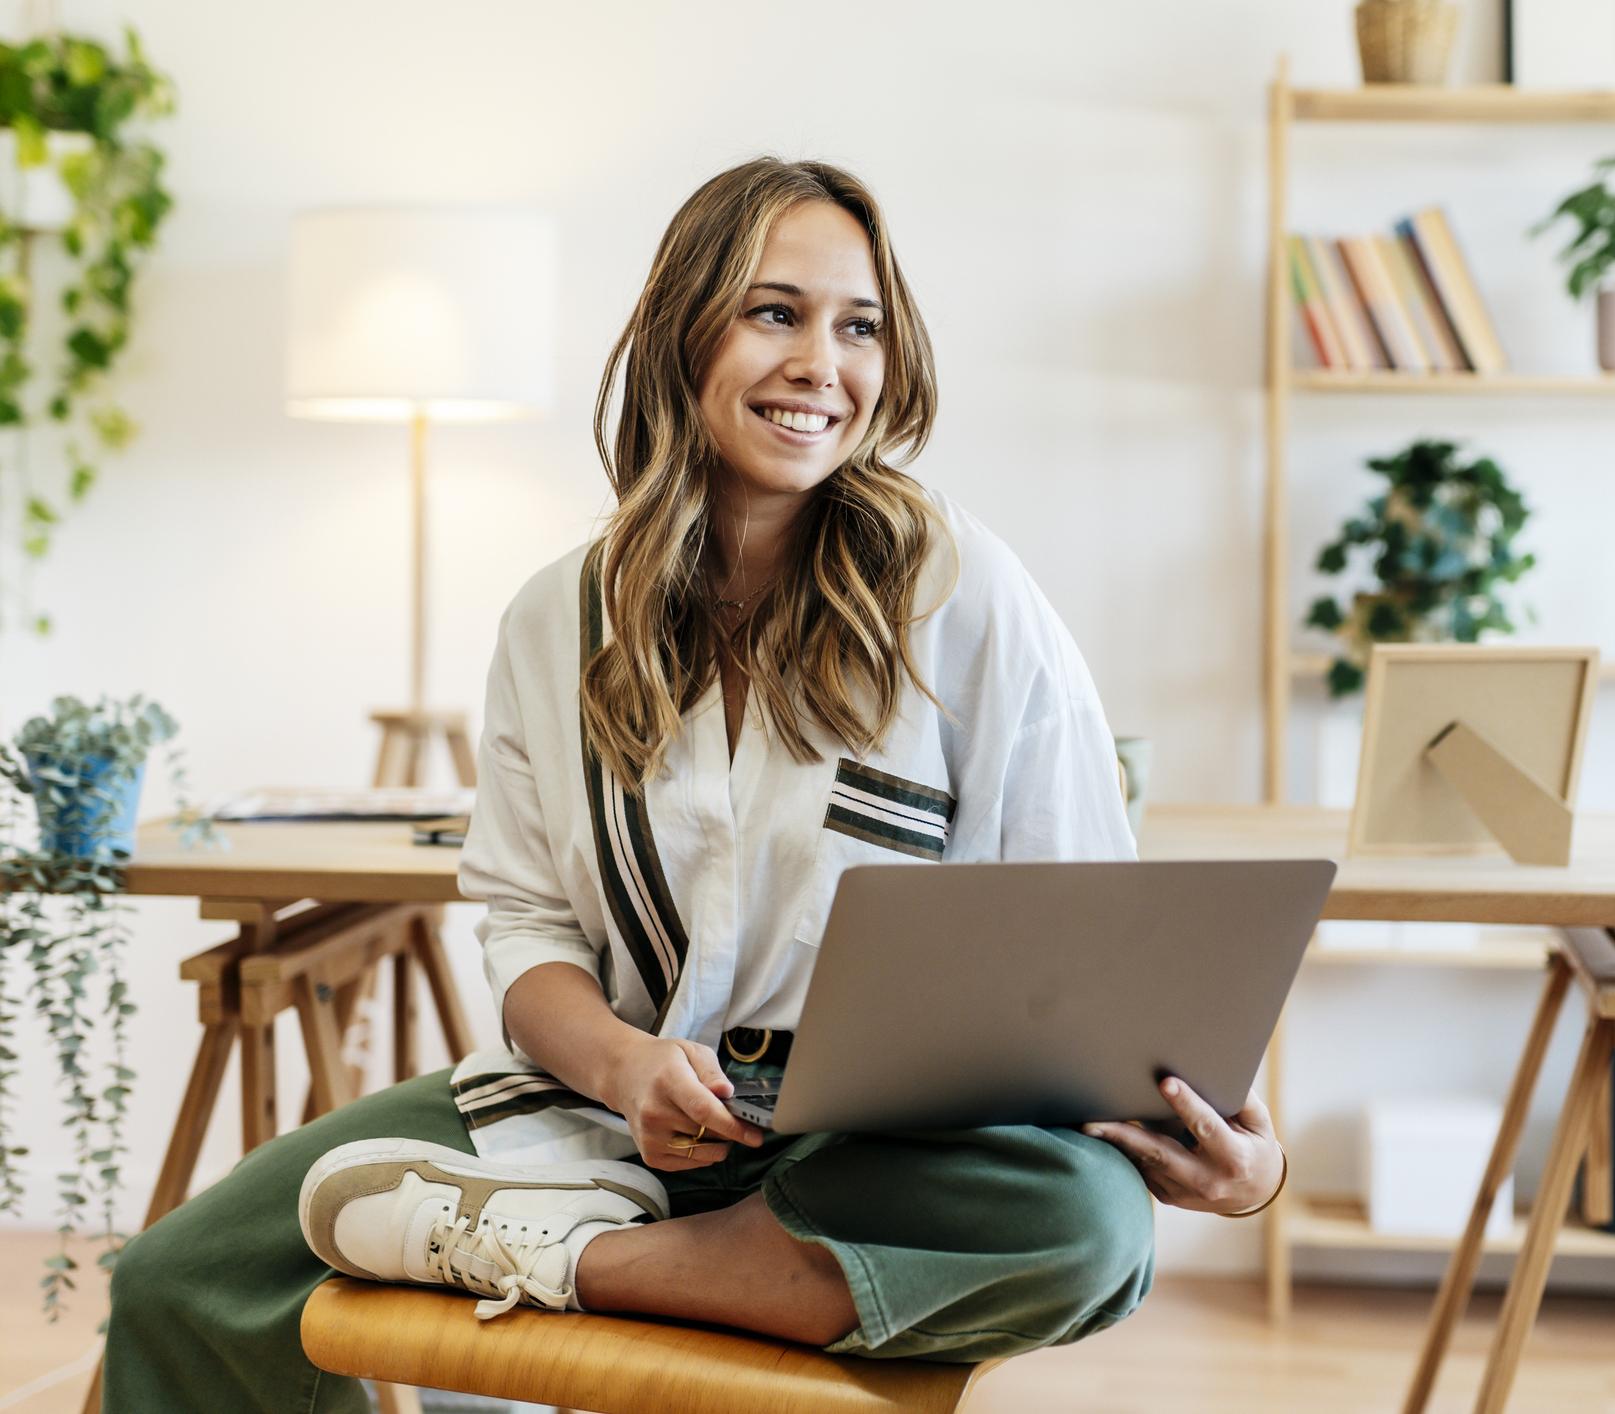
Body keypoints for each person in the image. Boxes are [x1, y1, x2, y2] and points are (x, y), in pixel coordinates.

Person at [103, 156, 1286, 1409]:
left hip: (882, 1157)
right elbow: (529, 931)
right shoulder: (554, 620)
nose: (820, 363)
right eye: (774, 312)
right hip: (599, 1123)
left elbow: (1087, 940)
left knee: (1089, 1226)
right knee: (185, 1282)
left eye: (859, 325)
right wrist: (621, 1067)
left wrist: (1245, 1167)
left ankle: (581, 1261)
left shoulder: (962, 592)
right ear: (684, 330)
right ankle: (589, 1230)